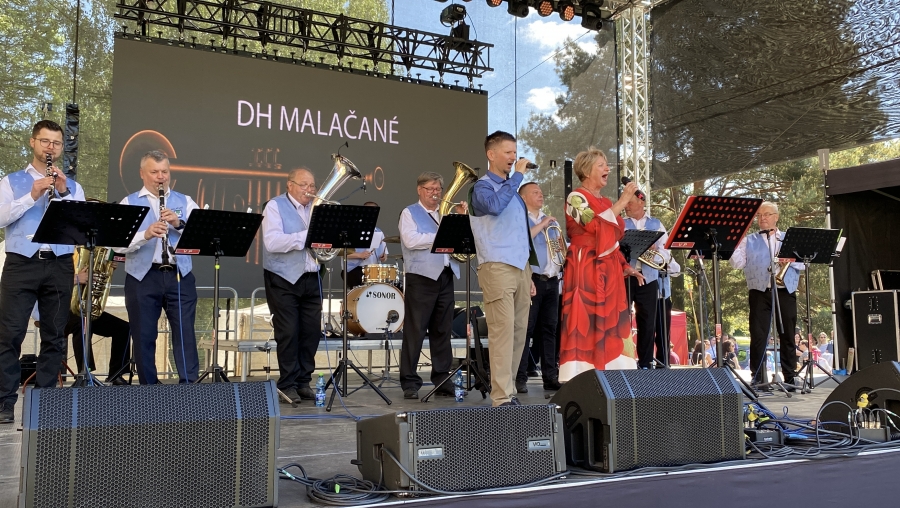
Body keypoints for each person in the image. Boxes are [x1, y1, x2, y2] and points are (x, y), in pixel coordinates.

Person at [0, 120, 85, 424]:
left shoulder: (72, 186)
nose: (51, 147)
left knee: (54, 335)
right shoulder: (11, 181)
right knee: (9, 334)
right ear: (33, 142)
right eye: (45, 141)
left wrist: (63, 193)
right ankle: (4, 402)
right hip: (21, 263)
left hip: (59, 263)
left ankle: (46, 403)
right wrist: (32, 195)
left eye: (56, 143)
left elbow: (82, 225)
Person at [558, 146, 643, 381]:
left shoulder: (605, 201)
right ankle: (581, 374)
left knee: (612, 319)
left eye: (607, 165)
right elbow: (594, 226)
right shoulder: (575, 198)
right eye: (601, 165)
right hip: (585, 265)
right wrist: (622, 201)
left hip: (609, 268)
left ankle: (613, 372)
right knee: (585, 317)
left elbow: (613, 239)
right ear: (587, 171)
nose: (607, 169)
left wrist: (625, 265)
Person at [117, 150, 199, 385]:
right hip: (143, 277)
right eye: (154, 172)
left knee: (184, 333)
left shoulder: (185, 201)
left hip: (179, 275)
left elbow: (199, 236)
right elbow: (117, 245)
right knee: (144, 335)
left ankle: (188, 387)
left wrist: (178, 223)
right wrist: (146, 234)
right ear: (142, 174)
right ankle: (149, 390)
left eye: (165, 171)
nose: (161, 177)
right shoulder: (129, 202)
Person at [470, 131, 537, 407]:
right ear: (491, 154)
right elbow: (495, 207)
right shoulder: (482, 187)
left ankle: (508, 391)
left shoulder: (513, 191)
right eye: (508, 152)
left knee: (519, 332)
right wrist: (518, 177)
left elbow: (519, 233)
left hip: (520, 268)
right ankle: (501, 396)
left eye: (515, 152)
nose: (513, 157)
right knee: (502, 331)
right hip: (497, 266)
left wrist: (528, 272)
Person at [398, 172, 466, 399]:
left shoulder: (446, 214)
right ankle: (409, 382)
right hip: (421, 277)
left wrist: (462, 219)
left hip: (446, 275)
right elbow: (411, 240)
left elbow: (461, 241)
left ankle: (442, 379)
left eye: (438, 189)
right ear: (419, 190)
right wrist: (441, 233)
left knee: (443, 331)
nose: (435, 193)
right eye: (430, 189)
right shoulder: (409, 212)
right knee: (415, 331)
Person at [261, 167, 324, 404]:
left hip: (311, 276)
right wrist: (307, 236)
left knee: (311, 332)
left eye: (312, 185)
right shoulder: (274, 206)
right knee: (288, 332)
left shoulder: (316, 208)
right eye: (304, 185)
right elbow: (272, 242)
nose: (309, 189)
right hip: (283, 278)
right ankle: (286, 384)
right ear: (290, 185)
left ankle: (303, 382)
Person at [729, 201, 804, 389]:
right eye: (759, 215)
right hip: (759, 290)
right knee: (758, 334)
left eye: (767, 214)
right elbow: (737, 264)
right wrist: (733, 245)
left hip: (785, 289)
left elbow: (803, 264)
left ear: (776, 217)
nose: (762, 218)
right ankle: (758, 377)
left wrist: (789, 260)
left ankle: (789, 377)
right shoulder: (749, 240)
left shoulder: (788, 238)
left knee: (788, 333)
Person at [515, 182, 562, 392]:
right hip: (531, 279)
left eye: (541, 192)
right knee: (526, 329)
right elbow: (522, 241)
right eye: (535, 192)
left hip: (552, 279)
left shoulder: (550, 221)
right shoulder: (519, 218)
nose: (541, 195)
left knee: (550, 329)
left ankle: (550, 376)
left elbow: (559, 248)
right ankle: (520, 377)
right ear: (524, 198)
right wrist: (543, 224)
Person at [624, 190, 673, 368]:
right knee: (622, 320)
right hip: (626, 276)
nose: (626, 206)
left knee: (647, 321)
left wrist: (655, 253)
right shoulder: (621, 223)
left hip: (649, 277)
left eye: (630, 202)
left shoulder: (657, 224)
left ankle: (645, 363)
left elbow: (666, 251)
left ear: (641, 203)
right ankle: (623, 361)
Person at [343, 201, 388, 289]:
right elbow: (341, 253)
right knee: (361, 291)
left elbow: (385, 255)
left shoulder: (379, 232)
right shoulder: (352, 230)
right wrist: (359, 255)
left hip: (374, 270)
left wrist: (384, 257)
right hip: (355, 269)